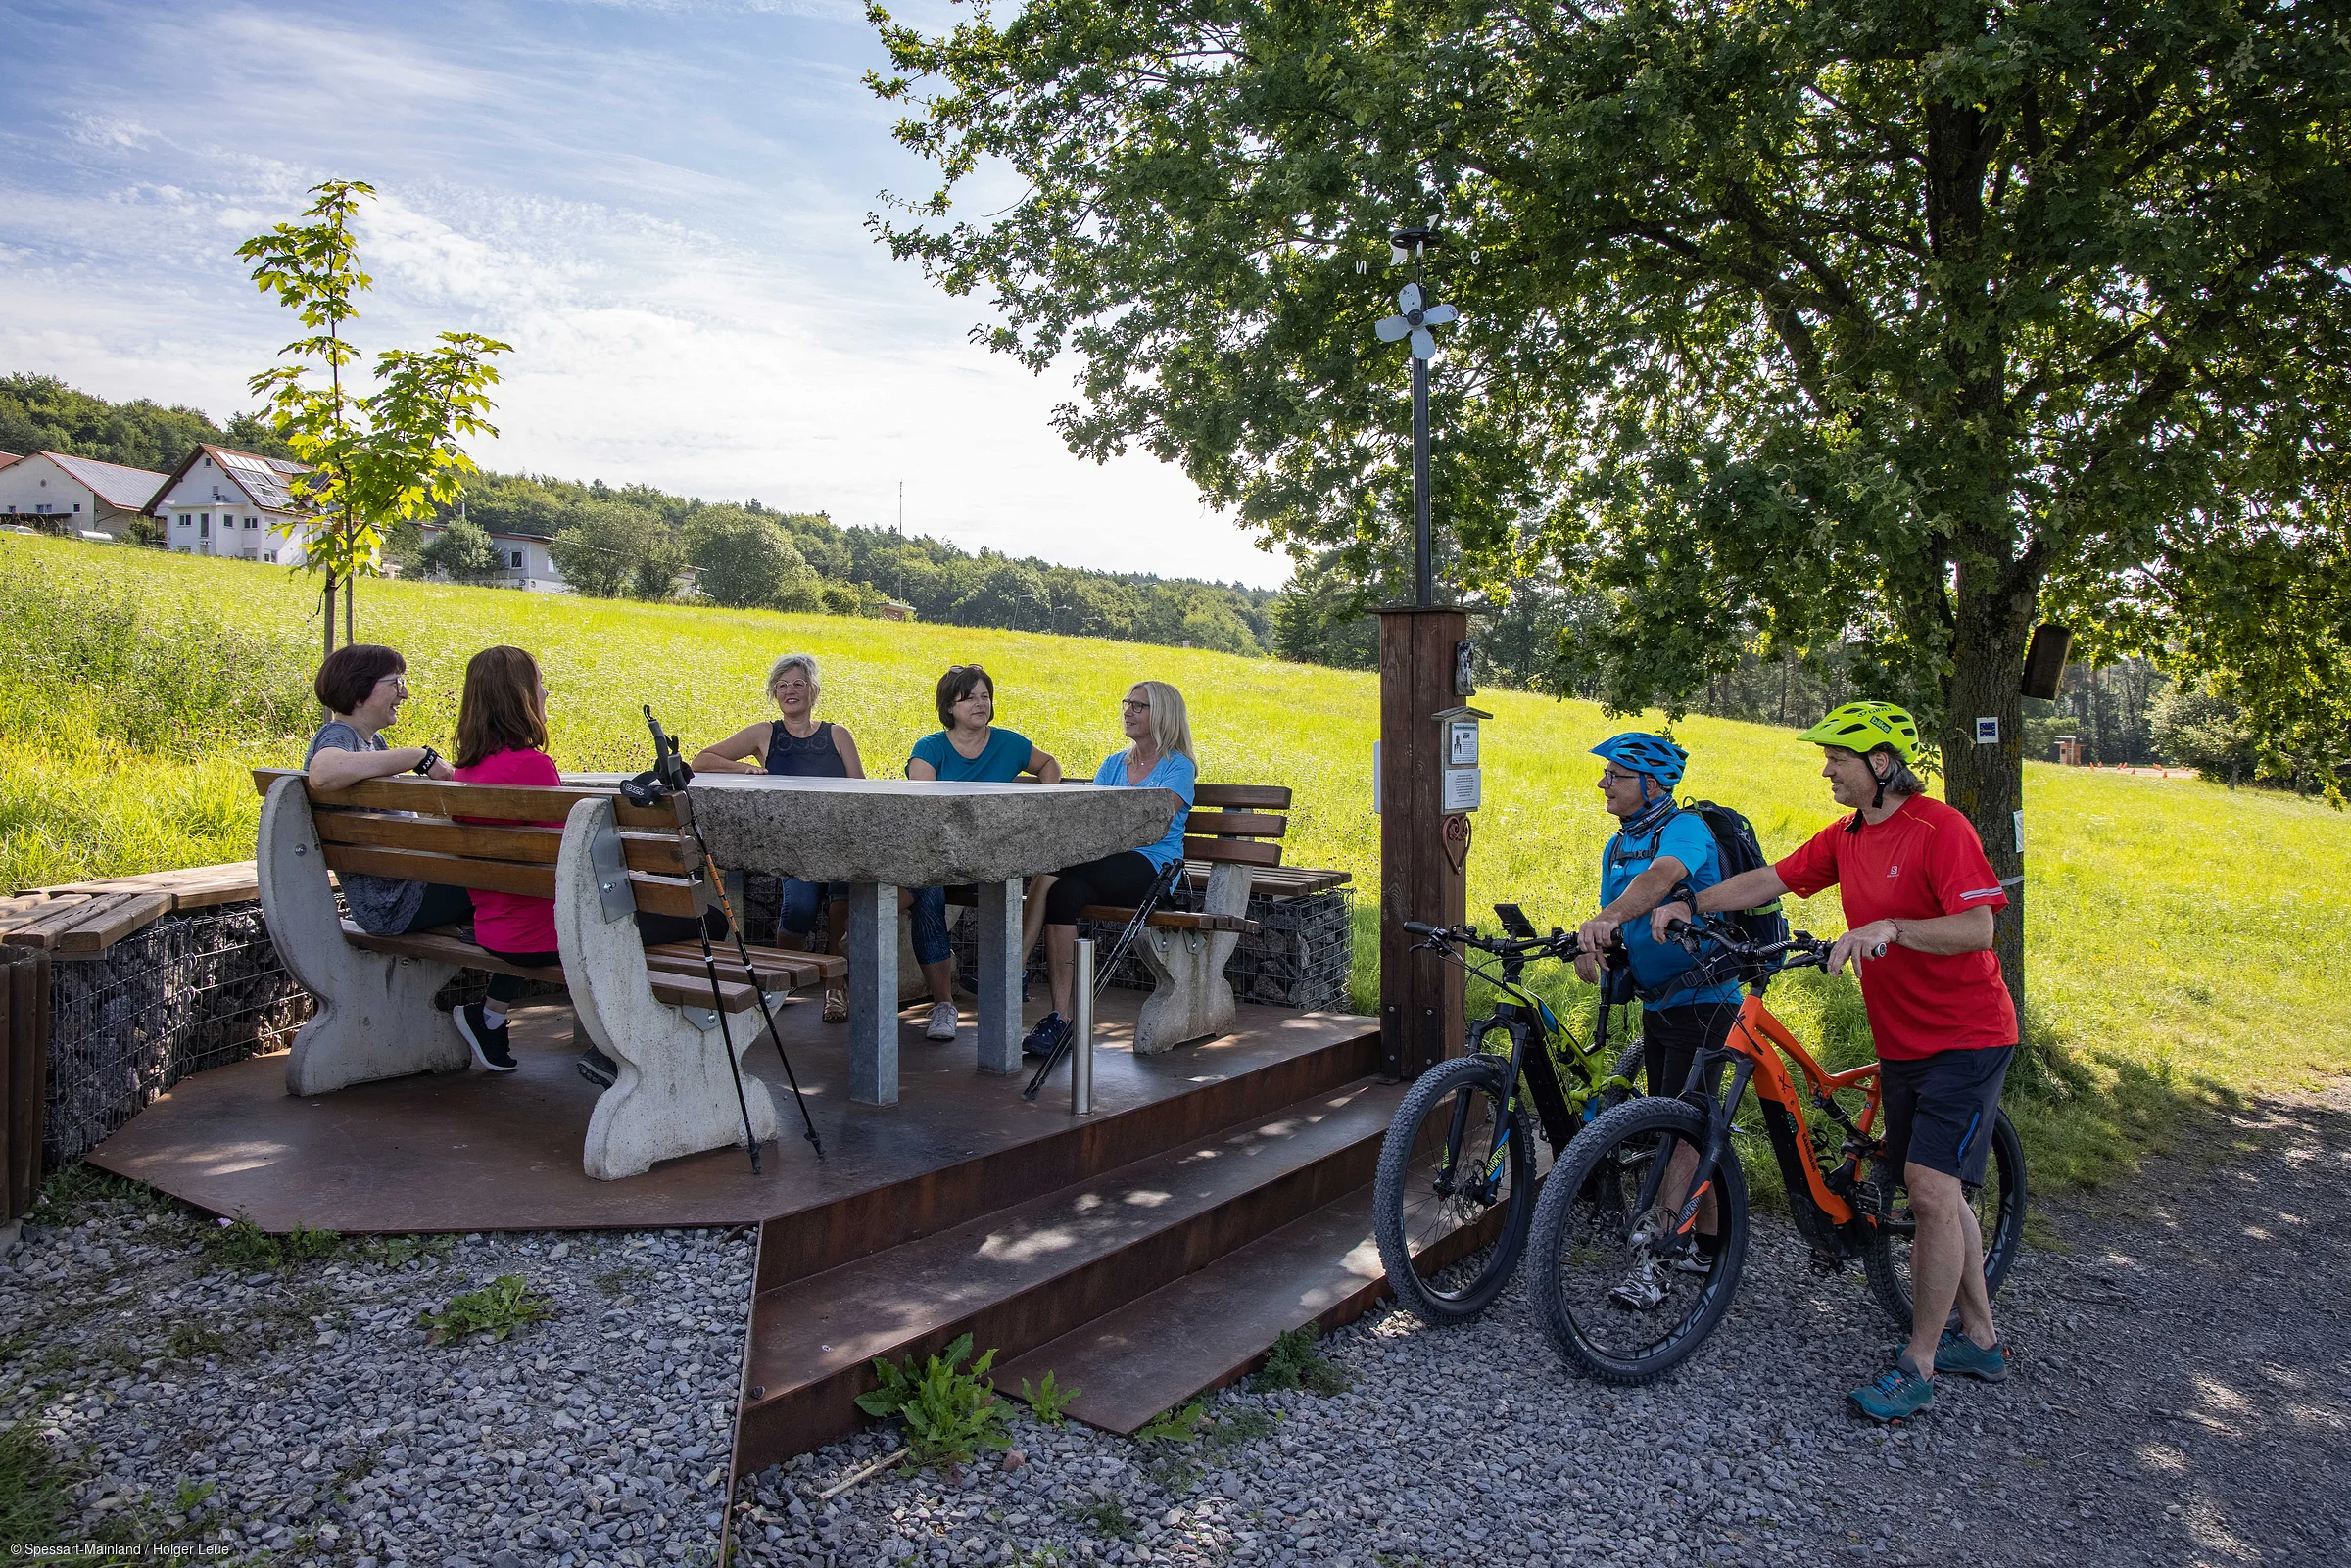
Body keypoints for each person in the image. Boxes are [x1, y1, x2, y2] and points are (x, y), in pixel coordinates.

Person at [1657, 700, 2017, 1421]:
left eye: (1839, 759)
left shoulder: (1940, 830)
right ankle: (1980, 1335)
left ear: (1882, 765)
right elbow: (1773, 880)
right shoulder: (1846, 837)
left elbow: (1979, 924)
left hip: (1967, 1035)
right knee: (1937, 1187)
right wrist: (1694, 903)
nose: (1827, 770)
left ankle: (1916, 1363)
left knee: (1927, 1186)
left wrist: (1892, 927)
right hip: (1903, 1040)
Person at [1571, 732, 1743, 1308]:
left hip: (1706, 999)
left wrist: (1605, 917)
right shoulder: (1619, 844)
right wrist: (1592, 947)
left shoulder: (1684, 830)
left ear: (1652, 783)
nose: (1603, 785)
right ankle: (1709, 1245)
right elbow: (1621, 918)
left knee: (1680, 1125)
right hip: (1658, 1000)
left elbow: (1661, 881)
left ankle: (1657, 1259)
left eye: (1615, 776)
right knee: (1690, 1117)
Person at [1020, 682, 1195, 1059]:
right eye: (1126, 703)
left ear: (1162, 714)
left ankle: (1014, 967)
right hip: (1107, 862)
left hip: (1151, 869)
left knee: (1051, 867)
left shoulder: (1179, 766)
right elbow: (1094, 822)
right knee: (1063, 893)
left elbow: (1154, 821)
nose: (1128, 711)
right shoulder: (1114, 764)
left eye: (1139, 706)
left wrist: (1110, 824)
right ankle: (1058, 1017)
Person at [694, 653, 864, 1022]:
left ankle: (836, 985)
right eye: (783, 685)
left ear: (813, 691)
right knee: (799, 911)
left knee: (842, 901)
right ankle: (782, 979)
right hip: (792, 847)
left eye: (798, 684)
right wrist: (746, 769)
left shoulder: (838, 735)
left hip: (837, 842)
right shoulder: (764, 733)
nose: (790, 691)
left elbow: (860, 792)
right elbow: (702, 761)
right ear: (774, 693)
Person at [903, 664, 1062, 1043]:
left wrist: (1043, 797)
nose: (980, 703)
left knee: (909, 888)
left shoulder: (1010, 743)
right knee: (927, 891)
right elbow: (925, 809)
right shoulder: (929, 748)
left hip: (995, 856)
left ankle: (871, 917)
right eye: (969, 697)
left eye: (985, 696)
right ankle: (944, 1005)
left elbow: (1048, 764)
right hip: (941, 857)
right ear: (949, 706)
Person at [446, 646, 563, 1074]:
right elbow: (570, 865)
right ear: (521, 698)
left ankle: (491, 1015)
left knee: (528, 900)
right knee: (708, 921)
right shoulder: (533, 767)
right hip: (545, 938)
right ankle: (614, 1049)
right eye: (538, 683)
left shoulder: (466, 772)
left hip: (495, 928)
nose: (546, 692)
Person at [301, 642, 467, 938]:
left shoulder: (371, 742)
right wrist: (417, 756)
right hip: (392, 905)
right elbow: (323, 773)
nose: (404, 693)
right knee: (521, 884)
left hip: (397, 897)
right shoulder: (339, 734)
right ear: (360, 690)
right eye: (395, 683)